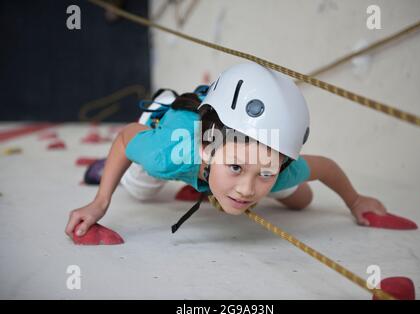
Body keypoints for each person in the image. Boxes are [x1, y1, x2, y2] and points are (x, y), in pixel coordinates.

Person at [65, 62, 387, 238]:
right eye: (236, 168)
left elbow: (327, 167)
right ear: (207, 148)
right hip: (176, 131)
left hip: (222, 149)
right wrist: (100, 201)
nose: (247, 190)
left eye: (266, 172)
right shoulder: (169, 156)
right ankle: (163, 107)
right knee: (140, 191)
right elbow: (125, 138)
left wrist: (356, 201)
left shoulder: (279, 167)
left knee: (303, 200)